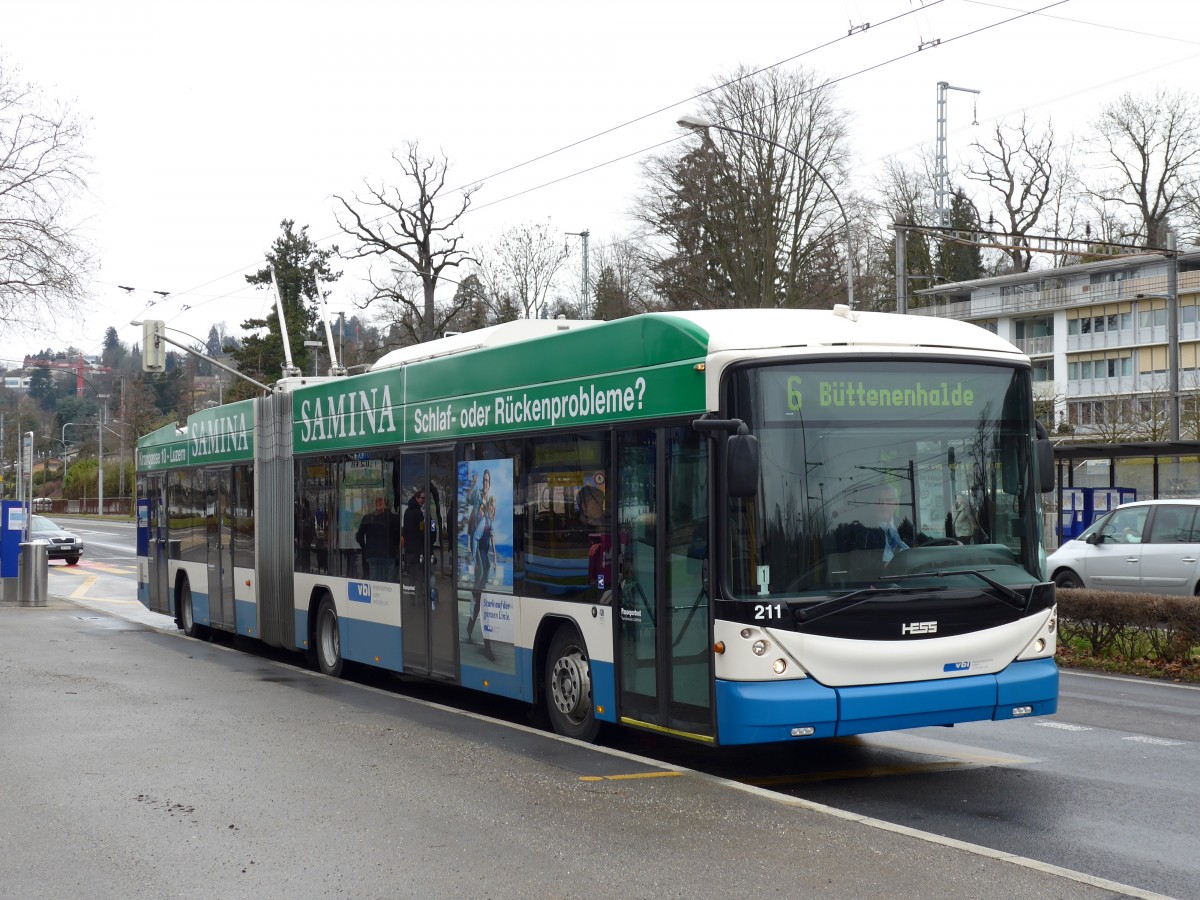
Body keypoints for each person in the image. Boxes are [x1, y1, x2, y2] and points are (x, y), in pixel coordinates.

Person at [830, 482, 909, 563]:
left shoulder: (906, 527)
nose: (884, 505)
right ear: (871, 504)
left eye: (889, 500)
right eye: (878, 500)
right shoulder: (863, 532)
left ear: (896, 503)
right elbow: (859, 563)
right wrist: (882, 566)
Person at [466, 494, 496, 660]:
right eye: (490, 507)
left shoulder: (489, 522)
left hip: (484, 564)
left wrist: (493, 560)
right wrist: (477, 560)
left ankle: (470, 628)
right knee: (484, 607)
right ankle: (487, 647)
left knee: (479, 605)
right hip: (481, 567)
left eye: (493, 508)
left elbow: (489, 543)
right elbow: (475, 539)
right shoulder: (484, 522)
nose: (492, 510)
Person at [577, 484, 612, 600]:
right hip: (588, 582)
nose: (599, 505)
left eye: (600, 501)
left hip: (608, 574)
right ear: (584, 506)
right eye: (595, 501)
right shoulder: (578, 530)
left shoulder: (608, 522)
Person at [356, 496, 400, 581]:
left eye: (379, 502)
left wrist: (365, 548)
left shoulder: (368, 518)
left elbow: (359, 537)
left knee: (375, 583)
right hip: (389, 554)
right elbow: (398, 537)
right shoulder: (395, 518)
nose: (378, 505)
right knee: (388, 584)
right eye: (377, 502)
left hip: (373, 554)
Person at [401, 489, 426, 574]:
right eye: (422, 498)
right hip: (416, 548)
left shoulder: (407, 511)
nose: (423, 500)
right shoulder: (419, 513)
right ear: (417, 498)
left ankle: (412, 586)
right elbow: (422, 529)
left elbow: (405, 528)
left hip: (408, 547)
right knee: (418, 571)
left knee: (411, 572)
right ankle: (416, 587)